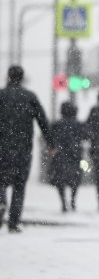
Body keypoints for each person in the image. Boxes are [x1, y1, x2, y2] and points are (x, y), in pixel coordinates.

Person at [0, 65, 55, 233]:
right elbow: (43, 121)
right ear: (22, 78)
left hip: (1, 147)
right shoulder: (30, 97)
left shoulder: (1, 96)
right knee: (19, 185)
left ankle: (1, 202)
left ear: (8, 76)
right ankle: (14, 222)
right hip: (23, 148)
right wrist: (51, 143)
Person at [49, 102, 88, 212]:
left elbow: (50, 137)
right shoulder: (79, 125)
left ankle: (63, 202)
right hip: (75, 156)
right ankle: (73, 200)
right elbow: (87, 136)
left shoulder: (56, 124)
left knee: (60, 181)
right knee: (75, 180)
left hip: (60, 156)